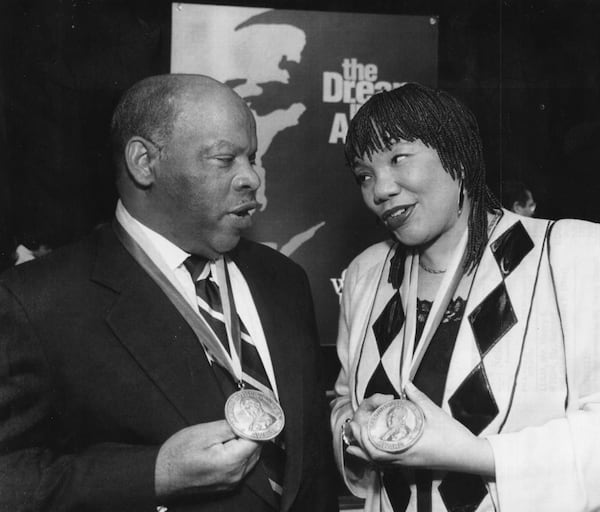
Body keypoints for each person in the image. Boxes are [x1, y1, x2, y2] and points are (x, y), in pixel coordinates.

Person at [0, 74, 337, 512]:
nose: (252, 178)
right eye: (225, 159)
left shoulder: (284, 279)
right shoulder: (36, 302)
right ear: (144, 162)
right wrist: (155, 475)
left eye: (252, 158)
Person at [330, 83, 600, 512]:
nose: (380, 189)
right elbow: (345, 399)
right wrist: (352, 430)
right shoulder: (367, 272)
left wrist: (474, 455)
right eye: (365, 175)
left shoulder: (569, 253)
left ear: (457, 154)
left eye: (398, 158)